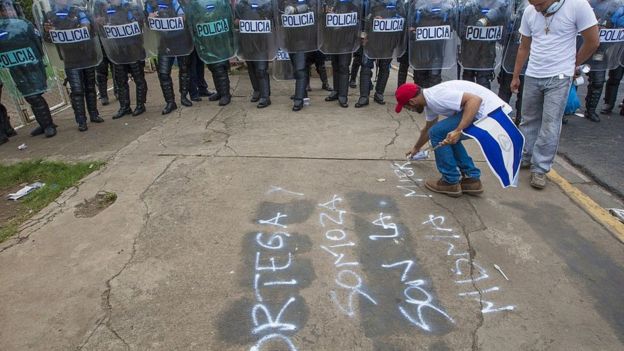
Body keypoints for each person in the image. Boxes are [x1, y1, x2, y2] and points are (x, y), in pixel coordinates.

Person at [511, 0, 599, 189]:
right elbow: (524, 46)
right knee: (528, 120)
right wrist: (516, 75)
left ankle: (540, 168)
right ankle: (525, 156)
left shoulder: (577, 6)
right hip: (533, 73)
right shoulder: (529, 12)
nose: (537, 8)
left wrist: (573, 63)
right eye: (533, 4)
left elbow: (593, 41)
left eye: (540, 4)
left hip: (559, 76)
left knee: (550, 123)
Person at [399, 81, 512, 197]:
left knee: (441, 132)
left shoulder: (437, 96)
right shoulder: (429, 101)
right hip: (489, 113)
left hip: (492, 114)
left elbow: (475, 100)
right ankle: (471, 179)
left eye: (407, 107)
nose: (410, 110)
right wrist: (416, 148)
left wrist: (458, 130)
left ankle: (450, 181)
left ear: (412, 102)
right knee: (447, 134)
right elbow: (429, 128)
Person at [40, 0, 104, 131]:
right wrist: (48, 31)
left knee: (90, 87)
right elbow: (48, 38)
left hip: (86, 54)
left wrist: (83, 26)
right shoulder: (50, 16)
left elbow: (88, 27)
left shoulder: (78, 10)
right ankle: (81, 120)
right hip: (70, 58)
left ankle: (94, 114)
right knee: (77, 90)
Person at [0, 0, 57, 138]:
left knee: (35, 95)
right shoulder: (3, 28)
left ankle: (48, 125)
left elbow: (37, 43)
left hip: (31, 64)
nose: (8, 12)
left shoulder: (24, 25)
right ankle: (43, 124)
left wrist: (39, 60)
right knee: (28, 95)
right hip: (15, 66)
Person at [92, 0, 149, 119]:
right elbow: (102, 26)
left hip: (133, 48)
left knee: (138, 78)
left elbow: (139, 22)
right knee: (120, 80)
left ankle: (140, 105)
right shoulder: (108, 9)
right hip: (118, 50)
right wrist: (100, 22)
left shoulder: (131, 7)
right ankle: (124, 107)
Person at [145, 0, 193, 115]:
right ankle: (170, 102)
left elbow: (183, 16)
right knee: (163, 73)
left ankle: (184, 97)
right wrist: (149, 17)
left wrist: (179, 18)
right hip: (163, 42)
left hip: (180, 39)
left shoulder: (175, 2)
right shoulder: (150, 3)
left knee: (184, 69)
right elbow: (146, 21)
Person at [234, 0, 275, 108]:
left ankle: (265, 97)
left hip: (261, 41)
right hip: (247, 40)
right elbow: (235, 20)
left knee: (261, 69)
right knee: (251, 67)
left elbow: (273, 18)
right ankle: (257, 91)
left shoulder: (267, 2)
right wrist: (238, 22)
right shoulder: (241, 4)